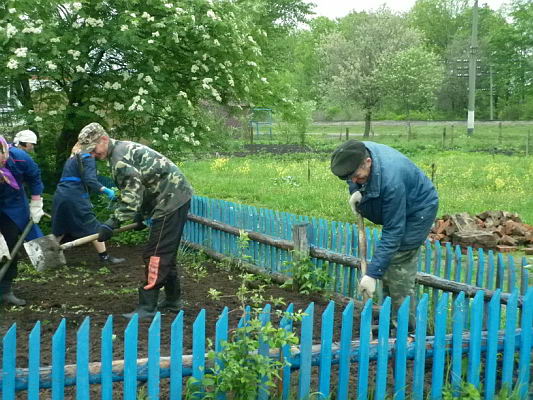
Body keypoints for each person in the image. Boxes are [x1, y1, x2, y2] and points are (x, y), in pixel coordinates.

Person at [77, 122, 193, 319]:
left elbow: (130, 197)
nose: (93, 155)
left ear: (104, 139)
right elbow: (143, 185)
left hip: (170, 200)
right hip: (172, 196)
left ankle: (147, 307)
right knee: (165, 251)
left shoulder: (120, 160)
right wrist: (141, 213)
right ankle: (173, 300)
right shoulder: (121, 150)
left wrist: (111, 224)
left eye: (94, 149)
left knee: (155, 254)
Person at [330, 140, 439, 332]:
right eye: (350, 178)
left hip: (417, 211)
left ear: (368, 162)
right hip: (399, 204)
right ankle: (391, 319)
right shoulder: (355, 153)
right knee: (387, 266)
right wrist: (356, 191)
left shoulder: (391, 181)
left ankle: (407, 331)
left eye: (357, 177)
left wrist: (372, 274)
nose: (353, 180)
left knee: (398, 266)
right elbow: (352, 176)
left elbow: (394, 231)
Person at [51, 143, 126, 265]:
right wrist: (106, 190)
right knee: (93, 225)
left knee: (61, 226)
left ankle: (47, 256)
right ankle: (104, 257)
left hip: (60, 195)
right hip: (75, 197)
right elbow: (90, 180)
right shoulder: (88, 158)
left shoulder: (72, 158)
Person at [0, 135, 45, 306]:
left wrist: (36, 202)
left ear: (4, 152)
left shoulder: (20, 157)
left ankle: (5, 290)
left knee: (10, 245)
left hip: (13, 205)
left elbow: (34, 177)